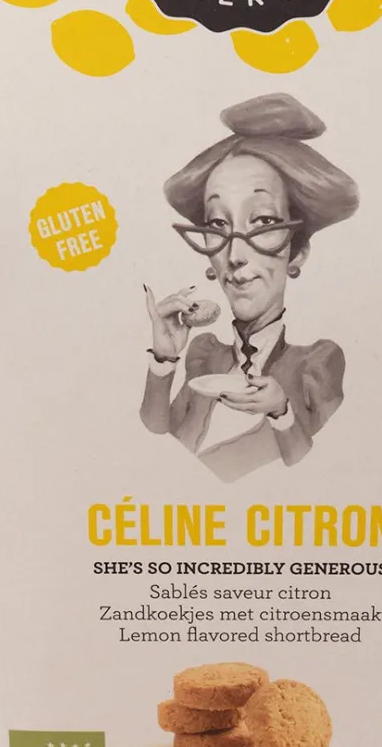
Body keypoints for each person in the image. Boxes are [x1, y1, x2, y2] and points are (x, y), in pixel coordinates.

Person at [140, 92, 359, 482]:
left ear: (297, 252)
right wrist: (163, 360)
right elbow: (153, 448)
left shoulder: (315, 368)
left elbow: (325, 473)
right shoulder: (205, 359)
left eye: (262, 222)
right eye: (218, 225)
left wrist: (281, 412)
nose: (234, 255)